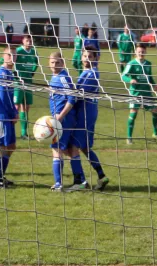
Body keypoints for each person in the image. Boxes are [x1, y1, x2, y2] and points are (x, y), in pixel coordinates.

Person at [67, 45, 110, 192]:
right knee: (85, 147)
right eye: (85, 56)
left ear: (96, 58)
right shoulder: (86, 72)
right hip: (88, 114)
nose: (86, 59)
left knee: (73, 147)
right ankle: (101, 176)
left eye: (90, 56)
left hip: (85, 115)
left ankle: (79, 182)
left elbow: (78, 94)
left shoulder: (92, 74)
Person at [47, 52, 80, 192]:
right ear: (49, 63)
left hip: (63, 119)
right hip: (60, 118)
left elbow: (72, 98)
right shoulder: (54, 77)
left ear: (63, 63)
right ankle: (80, 180)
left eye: (58, 63)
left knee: (57, 149)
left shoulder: (63, 77)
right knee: (69, 150)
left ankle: (59, 184)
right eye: (53, 63)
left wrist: (60, 116)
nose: (55, 65)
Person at [122, 43, 157, 145]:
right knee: (133, 113)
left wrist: (154, 85)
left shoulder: (148, 64)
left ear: (146, 52)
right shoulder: (131, 63)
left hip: (147, 93)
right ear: (135, 52)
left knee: (156, 112)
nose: (141, 53)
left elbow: (149, 77)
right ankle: (129, 137)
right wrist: (130, 79)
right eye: (139, 51)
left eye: (143, 51)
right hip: (135, 93)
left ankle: (155, 134)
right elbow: (123, 76)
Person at [0, 47, 19, 188]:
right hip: (0, 116)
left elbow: (10, 96)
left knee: (11, 146)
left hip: (8, 114)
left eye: (14, 54)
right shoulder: (1, 73)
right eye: (9, 54)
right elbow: (3, 97)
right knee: (0, 147)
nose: (12, 57)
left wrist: (14, 110)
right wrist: (12, 113)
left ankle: (0, 176)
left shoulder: (10, 73)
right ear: (3, 56)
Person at [14, 34, 39, 139]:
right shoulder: (18, 50)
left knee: (26, 106)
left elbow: (36, 62)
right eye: (27, 40)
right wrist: (13, 72)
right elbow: (5, 60)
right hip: (18, 82)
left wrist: (33, 70)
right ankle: (10, 131)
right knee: (16, 107)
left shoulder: (33, 51)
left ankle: (23, 133)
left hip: (28, 82)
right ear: (23, 41)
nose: (29, 42)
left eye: (30, 40)